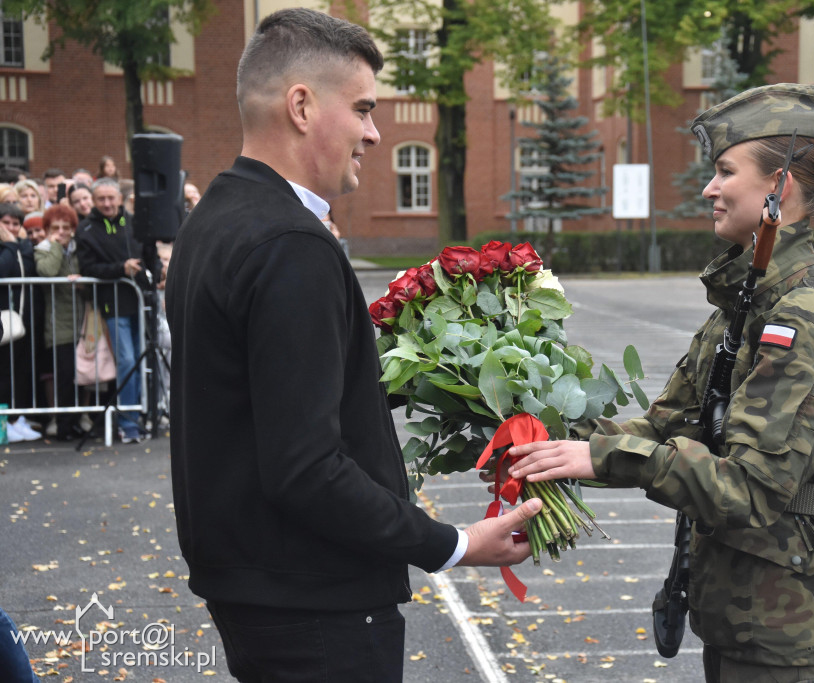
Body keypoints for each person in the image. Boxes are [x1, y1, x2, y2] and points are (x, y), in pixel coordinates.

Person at [164, 9, 541, 683]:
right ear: (302, 105)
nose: (374, 132)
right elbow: (306, 467)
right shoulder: (289, 243)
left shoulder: (215, 219)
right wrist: (452, 543)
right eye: (364, 109)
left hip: (258, 585)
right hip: (314, 600)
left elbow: (258, 401)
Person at [509, 84, 814, 683]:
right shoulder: (745, 306)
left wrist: (598, 456)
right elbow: (663, 427)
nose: (709, 188)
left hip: (798, 640)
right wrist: (533, 431)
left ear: (778, 187)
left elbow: (750, 490)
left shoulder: (802, 318)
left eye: (725, 171)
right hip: (747, 620)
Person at [76, 178, 148, 443]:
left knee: (142, 360)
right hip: (112, 304)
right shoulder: (85, 229)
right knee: (127, 361)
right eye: (101, 199)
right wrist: (120, 269)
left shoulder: (134, 223)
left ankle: (141, 415)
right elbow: (88, 268)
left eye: (110, 198)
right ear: (94, 201)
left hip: (140, 301)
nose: (107, 204)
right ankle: (128, 423)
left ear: (120, 198)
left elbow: (148, 254)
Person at [33, 205, 84, 441]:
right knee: (63, 376)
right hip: (58, 325)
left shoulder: (79, 250)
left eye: (66, 227)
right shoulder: (43, 250)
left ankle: (78, 421)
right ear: (46, 230)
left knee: (83, 374)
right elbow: (47, 272)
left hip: (82, 322)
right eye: (56, 227)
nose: (62, 232)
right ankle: (63, 425)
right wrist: (55, 246)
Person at [0, 203, 42, 442]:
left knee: (21, 370)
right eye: (6, 223)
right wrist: (10, 245)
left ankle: (17, 417)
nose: (11, 228)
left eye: (16, 224)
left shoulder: (24, 245)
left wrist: (17, 245)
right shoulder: (10, 246)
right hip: (3, 317)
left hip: (24, 317)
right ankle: (5, 421)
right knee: (4, 372)